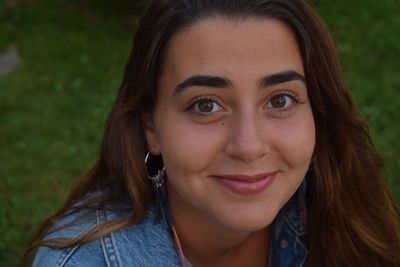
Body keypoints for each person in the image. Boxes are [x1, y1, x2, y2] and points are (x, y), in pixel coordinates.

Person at [22, 0, 400, 266]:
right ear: (151, 127)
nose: (249, 147)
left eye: (280, 99)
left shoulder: (343, 217)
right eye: (206, 105)